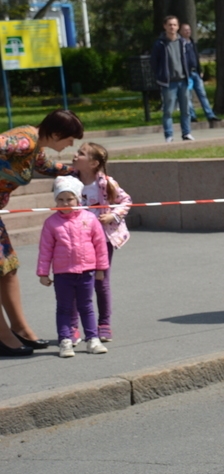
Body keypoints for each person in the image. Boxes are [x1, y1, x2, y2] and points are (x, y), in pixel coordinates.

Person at [0, 110, 83, 358]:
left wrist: (75, 171)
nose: (70, 144)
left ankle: (20, 328)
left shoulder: (34, 145)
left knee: (8, 268)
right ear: (57, 133)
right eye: (69, 139)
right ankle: (3, 336)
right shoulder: (24, 141)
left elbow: (45, 167)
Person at [38, 176, 109, 358]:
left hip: (86, 271)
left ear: (78, 199)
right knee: (64, 308)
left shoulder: (90, 219)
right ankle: (65, 340)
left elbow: (100, 245)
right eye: (60, 199)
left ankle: (93, 339)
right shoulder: (51, 223)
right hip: (63, 274)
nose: (65, 203)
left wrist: (101, 268)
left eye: (69, 199)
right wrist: (43, 273)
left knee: (86, 306)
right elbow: (45, 250)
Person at [71, 142, 132, 343]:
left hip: (101, 240)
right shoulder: (71, 182)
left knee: (100, 281)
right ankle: (72, 326)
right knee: (73, 281)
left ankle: (104, 323)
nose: (75, 155)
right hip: (76, 239)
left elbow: (126, 201)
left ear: (93, 163)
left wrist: (112, 216)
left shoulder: (105, 183)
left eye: (81, 153)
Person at [151, 15, 195, 142]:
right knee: (168, 111)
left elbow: (190, 59)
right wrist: (160, 75)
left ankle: (186, 133)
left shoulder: (183, 42)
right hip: (169, 83)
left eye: (174, 25)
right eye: (169, 25)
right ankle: (169, 135)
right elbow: (154, 62)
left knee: (186, 110)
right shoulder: (160, 44)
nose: (172, 27)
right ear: (165, 26)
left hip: (183, 81)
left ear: (178, 26)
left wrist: (191, 71)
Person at [179, 23, 221, 123]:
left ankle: (210, 115)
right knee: (188, 96)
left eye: (189, 30)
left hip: (195, 73)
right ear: (180, 31)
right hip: (186, 74)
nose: (187, 31)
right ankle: (192, 116)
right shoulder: (180, 44)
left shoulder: (192, 43)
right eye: (185, 30)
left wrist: (200, 70)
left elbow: (196, 58)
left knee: (202, 94)